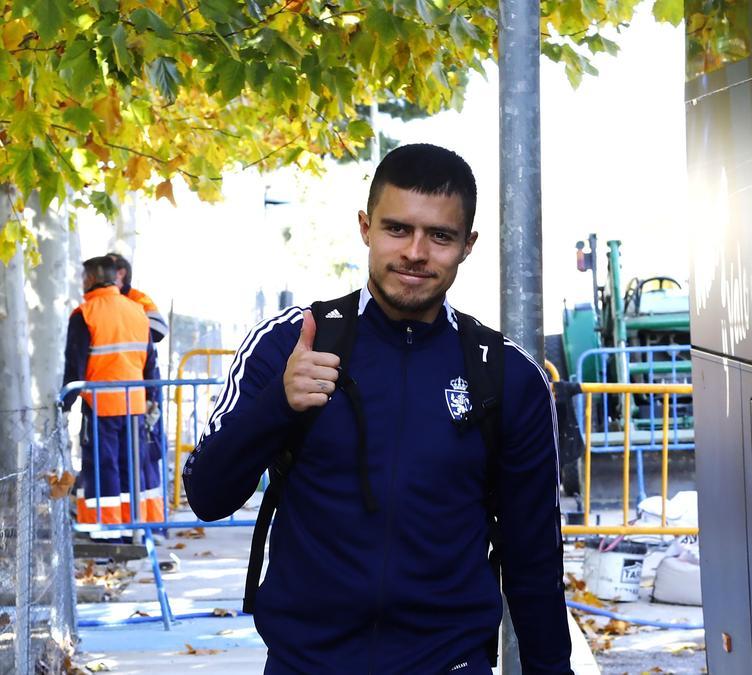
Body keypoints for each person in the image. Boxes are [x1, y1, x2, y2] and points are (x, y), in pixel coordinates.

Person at [183, 144, 572, 674]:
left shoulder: (508, 374)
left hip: (450, 663)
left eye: (440, 236)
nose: (416, 252)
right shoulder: (290, 343)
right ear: (366, 227)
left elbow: (534, 556)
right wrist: (280, 402)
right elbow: (206, 495)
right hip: (306, 663)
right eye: (397, 229)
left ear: (468, 245)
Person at [62, 256, 162, 537]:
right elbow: (149, 363)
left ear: (93, 278)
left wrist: (64, 404)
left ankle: (105, 530)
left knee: (103, 466)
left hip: (101, 406)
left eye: (84, 278)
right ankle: (136, 528)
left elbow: (75, 365)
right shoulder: (136, 311)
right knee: (132, 465)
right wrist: (152, 398)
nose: (82, 283)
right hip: (135, 405)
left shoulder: (85, 313)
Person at [107, 252, 168, 518]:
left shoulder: (137, 300)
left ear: (119, 274)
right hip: (119, 393)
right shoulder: (106, 303)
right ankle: (131, 520)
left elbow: (158, 330)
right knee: (122, 460)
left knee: (145, 454)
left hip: (143, 388)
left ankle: (149, 522)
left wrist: (124, 317)